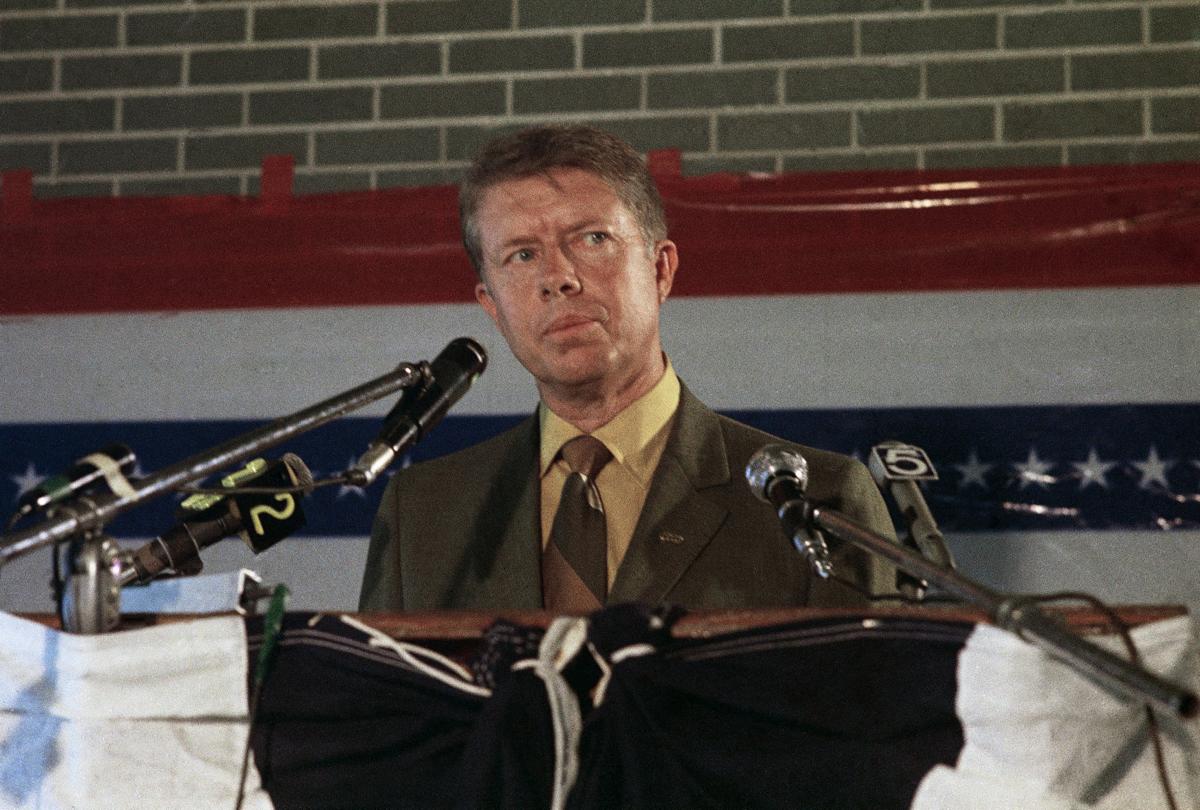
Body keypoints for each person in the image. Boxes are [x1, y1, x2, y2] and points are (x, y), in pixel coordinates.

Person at [359, 125, 896, 612]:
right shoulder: (422, 515)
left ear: (661, 269)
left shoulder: (816, 502)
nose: (558, 278)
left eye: (593, 239)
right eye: (521, 255)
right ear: (493, 306)